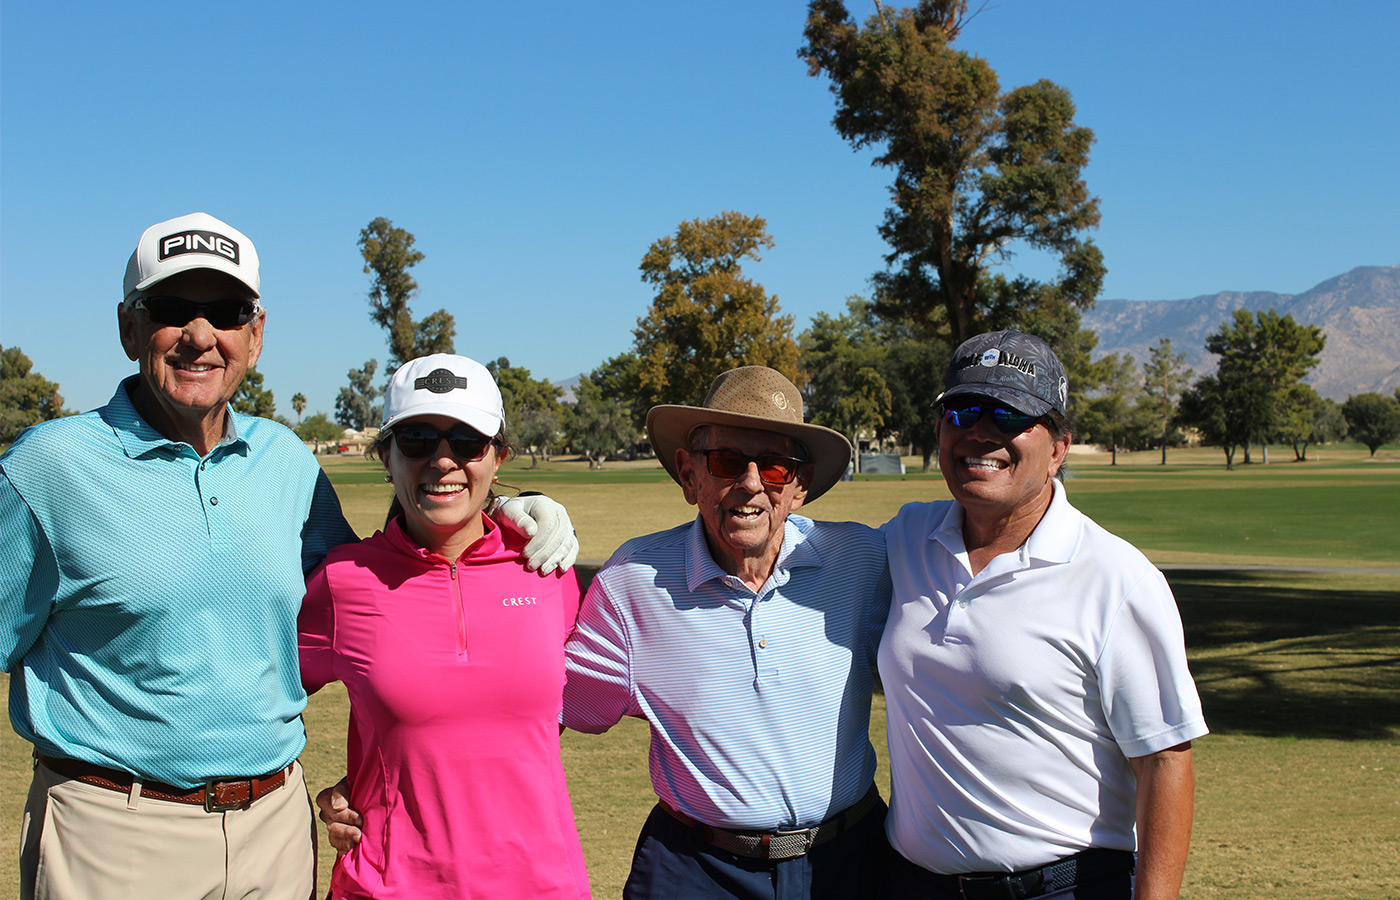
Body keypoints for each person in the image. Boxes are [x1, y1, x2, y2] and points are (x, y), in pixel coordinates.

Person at [0, 212, 575, 900]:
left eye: (227, 311)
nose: (201, 335)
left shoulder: (287, 463)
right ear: (129, 327)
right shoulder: (48, 467)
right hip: (114, 828)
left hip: (274, 829)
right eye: (172, 309)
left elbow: (388, 580)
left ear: (257, 333)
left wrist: (506, 509)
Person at [878, 330, 1208, 900]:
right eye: (962, 410)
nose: (979, 431)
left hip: (1059, 888)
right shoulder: (905, 538)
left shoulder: (1115, 577)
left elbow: (1164, 761)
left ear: (1058, 447)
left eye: (1009, 415)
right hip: (909, 883)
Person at [563, 367, 893, 899]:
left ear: (802, 485)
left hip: (850, 863)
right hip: (698, 871)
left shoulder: (862, 560)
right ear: (689, 474)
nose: (751, 482)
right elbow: (551, 702)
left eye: (778, 466)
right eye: (728, 461)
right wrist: (510, 518)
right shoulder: (632, 581)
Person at [297, 353, 590, 899]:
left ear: (497, 458)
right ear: (386, 456)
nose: (443, 460)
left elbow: (554, 714)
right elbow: (258, 702)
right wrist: (331, 796)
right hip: (388, 887)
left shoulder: (548, 568)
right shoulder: (343, 579)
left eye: (467, 443)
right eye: (418, 441)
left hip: (541, 884)